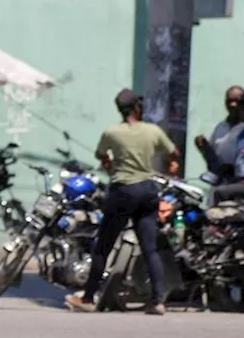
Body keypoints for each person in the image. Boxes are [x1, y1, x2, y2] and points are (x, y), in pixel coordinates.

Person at [65, 89, 180, 315]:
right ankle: (158, 301)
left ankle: (88, 298)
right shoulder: (152, 131)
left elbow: (101, 155)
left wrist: (110, 161)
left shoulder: (112, 133)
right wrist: (172, 164)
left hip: (122, 191)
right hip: (147, 190)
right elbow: (173, 152)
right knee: (150, 249)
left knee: (103, 248)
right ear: (138, 107)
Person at [194, 85, 244, 181]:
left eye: (237, 101)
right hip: (221, 180)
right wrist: (204, 147)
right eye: (229, 101)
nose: (233, 105)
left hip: (241, 182)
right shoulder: (220, 127)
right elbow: (213, 158)